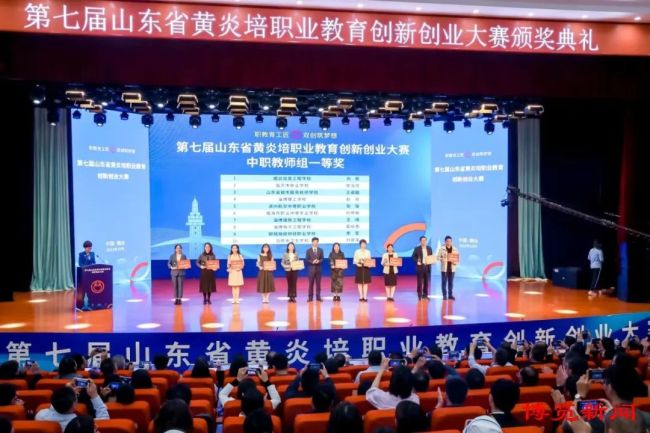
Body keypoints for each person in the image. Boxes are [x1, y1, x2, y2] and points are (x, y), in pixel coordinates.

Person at [35, 381, 109, 430]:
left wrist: (66, 392)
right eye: (76, 397)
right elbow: (104, 420)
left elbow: (57, 402)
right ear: (73, 406)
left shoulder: (40, 415)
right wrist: (95, 395)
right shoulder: (79, 424)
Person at [437, 235, 459, 300]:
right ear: (445, 241)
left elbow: (457, 259)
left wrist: (455, 262)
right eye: (447, 241)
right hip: (444, 269)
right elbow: (437, 257)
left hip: (452, 269)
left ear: (451, 242)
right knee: (444, 282)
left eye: (450, 241)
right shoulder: (442, 249)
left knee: (451, 282)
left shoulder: (455, 249)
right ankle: (444, 295)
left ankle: (450, 295)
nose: (449, 242)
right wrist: (442, 259)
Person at [411, 236, 433, 300]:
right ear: (420, 241)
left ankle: (425, 295)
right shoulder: (417, 248)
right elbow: (413, 257)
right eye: (422, 240)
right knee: (420, 282)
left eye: (425, 240)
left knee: (426, 282)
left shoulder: (429, 248)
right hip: (420, 267)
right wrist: (417, 261)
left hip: (427, 266)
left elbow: (431, 256)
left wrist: (432, 261)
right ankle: (419, 295)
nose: (424, 241)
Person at [305, 237, 324, 302]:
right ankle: (310, 298)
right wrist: (312, 262)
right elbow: (307, 259)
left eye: (316, 242)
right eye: (314, 242)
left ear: (318, 242)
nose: (315, 243)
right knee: (311, 284)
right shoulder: (308, 250)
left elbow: (322, 259)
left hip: (319, 270)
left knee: (318, 284)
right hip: (311, 270)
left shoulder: (320, 250)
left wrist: (319, 261)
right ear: (312, 242)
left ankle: (318, 297)